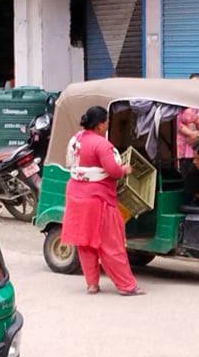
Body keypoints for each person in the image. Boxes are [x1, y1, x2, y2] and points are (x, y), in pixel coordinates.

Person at [61, 106, 144, 296]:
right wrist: (125, 169)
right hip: (98, 199)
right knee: (111, 243)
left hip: (76, 196)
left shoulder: (76, 139)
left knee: (85, 242)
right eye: (106, 122)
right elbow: (113, 171)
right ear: (100, 125)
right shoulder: (101, 145)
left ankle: (92, 284)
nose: (107, 125)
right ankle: (126, 286)